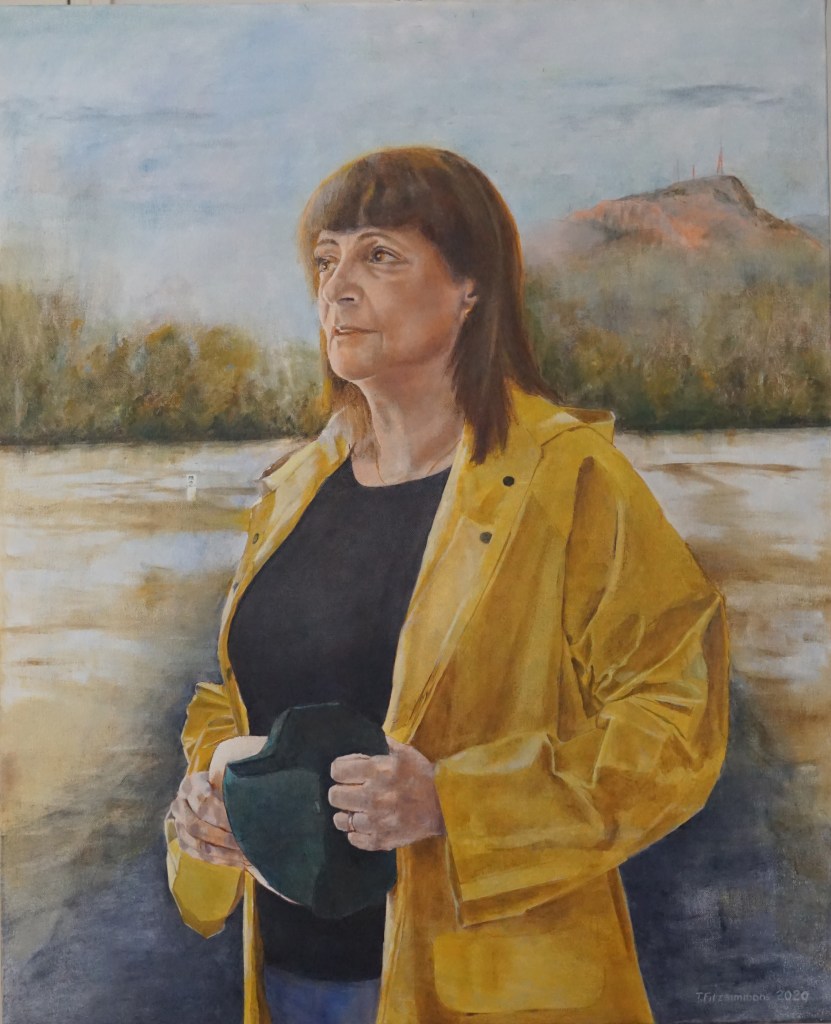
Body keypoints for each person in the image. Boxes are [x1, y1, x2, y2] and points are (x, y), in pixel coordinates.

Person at [165, 146, 730, 1024]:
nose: (336, 288)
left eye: (379, 255)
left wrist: (455, 806)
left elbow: (675, 724)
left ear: (470, 288)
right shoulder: (294, 489)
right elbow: (233, 697)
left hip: (491, 992)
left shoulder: (566, 476)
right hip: (288, 979)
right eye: (325, 259)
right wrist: (205, 789)